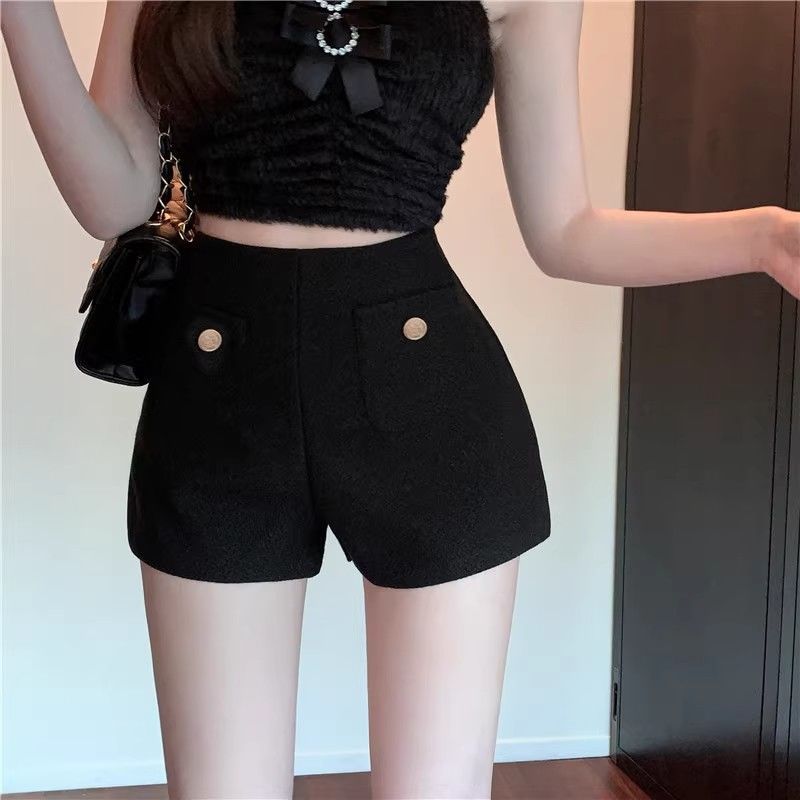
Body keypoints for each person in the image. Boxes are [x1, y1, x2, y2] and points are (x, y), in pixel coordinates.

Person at [2, 1, 797, 798]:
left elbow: (566, 231)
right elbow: (115, 201)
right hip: (217, 404)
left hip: (431, 403)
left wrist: (763, 237)